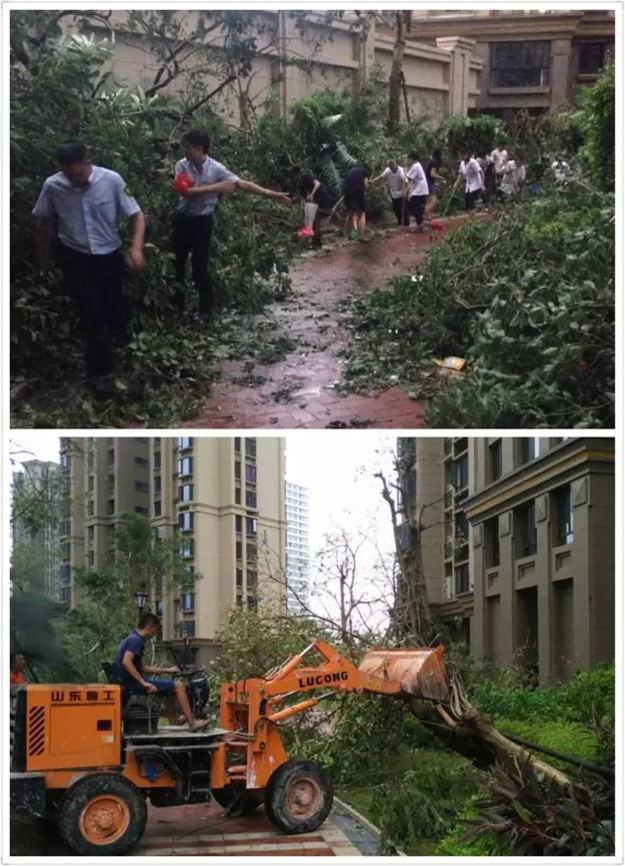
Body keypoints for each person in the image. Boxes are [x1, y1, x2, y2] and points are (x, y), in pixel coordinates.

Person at [33, 141, 146, 394]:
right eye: (67, 171)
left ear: (88, 161)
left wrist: (136, 247)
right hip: (75, 257)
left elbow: (136, 214)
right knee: (92, 313)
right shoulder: (53, 186)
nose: (74, 176)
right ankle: (100, 377)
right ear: (61, 168)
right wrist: (44, 258)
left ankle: (113, 352)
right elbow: (44, 223)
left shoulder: (112, 180)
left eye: (78, 170)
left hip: (109, 257)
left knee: (112, 311)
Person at [172, 129, 291, 320]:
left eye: (187, 147)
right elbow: (184, 192)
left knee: (200, 267)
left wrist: (272, 195)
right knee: (176, 263)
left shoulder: (216, 169)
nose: (184, 151)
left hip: (203, 221)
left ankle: (205, 312)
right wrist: (215, 188)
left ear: (198, 148)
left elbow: (242, 184)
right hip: (183, 219)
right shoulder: (182, 165)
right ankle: (176, 310)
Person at [115, 612, 209, 731]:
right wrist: (144, 683)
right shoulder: (136, 641)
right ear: (149, 627)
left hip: (129, 682)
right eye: (155, 630)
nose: (155, 634)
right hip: (133, 684)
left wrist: (167, 670)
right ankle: (192, 722)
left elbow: (141, 667)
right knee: (179, 686)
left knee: (170, 688)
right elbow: (126, 662)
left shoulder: (131, 638)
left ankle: (174, 721)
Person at [300, 169, 335, 249]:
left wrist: (312, 194)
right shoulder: (305, 181)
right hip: (320, 202)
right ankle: (315, 242)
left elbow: (317, 184)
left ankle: (317, 243)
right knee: (315, 222)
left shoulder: (306, 176)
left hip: (324, 202)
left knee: (316, 222)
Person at [370, 159, 408, 227]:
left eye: (393, 167)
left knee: (403, 208)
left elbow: (405, 181)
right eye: (391, 168)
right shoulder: (388, 171)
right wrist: (372, 181)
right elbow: (380, 177)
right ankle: (399, 222)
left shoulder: (401, 171)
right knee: (396, 208)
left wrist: (405, 191)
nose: (392, 169)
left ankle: (406, 223)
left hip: (401, 192)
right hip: (393, 192)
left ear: (396, 165)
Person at [342, 162, 370, 240]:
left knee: (350, 213)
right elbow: (366, 184)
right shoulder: (363, 171)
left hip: (347, 193)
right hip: (358, 192)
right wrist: (366, 189)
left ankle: (348, 234)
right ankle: (360, 236)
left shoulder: (349, 171)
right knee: (361, 213)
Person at [406, 150, 429, 232]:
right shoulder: (417, 165)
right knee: (415, 205)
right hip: (419, 189)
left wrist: (406, 171)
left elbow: (408, 177)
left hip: (420, 189)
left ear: (411, 158)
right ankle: (420, 223)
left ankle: (420, 222)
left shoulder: (415, 166)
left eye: (409, 159)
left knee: (413, 203)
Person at [424, 148, 443, 221]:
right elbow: (432, 174)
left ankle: (428, 217)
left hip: (427, 181)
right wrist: (441, 178)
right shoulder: (435, 162)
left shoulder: (432, 161)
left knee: (428, 201)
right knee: (434, 201)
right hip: (429, 182)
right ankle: (424, 214)